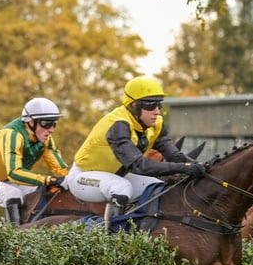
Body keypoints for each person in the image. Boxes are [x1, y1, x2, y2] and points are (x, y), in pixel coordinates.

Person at [67, 76, 205, 230]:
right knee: (121, 187)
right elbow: (139, 165)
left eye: (159, 105)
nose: (157, 112)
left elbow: (175, 155)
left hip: (116, 175)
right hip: (82, 177)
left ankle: (142, 229)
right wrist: (183, 168)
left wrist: (197, 166)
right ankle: (110, 238)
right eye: (151, 106)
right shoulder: (118, 125)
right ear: (134, 105)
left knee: (157, 186)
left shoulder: (155, 124)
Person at [0, 97, 69, 226]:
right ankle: (14, 238)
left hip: (6, 180)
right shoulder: (12, 135)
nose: (51, 129)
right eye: (46, 123)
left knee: (40, 191)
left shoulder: (45, 138)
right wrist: (48, 179)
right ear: (31, 122)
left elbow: (60, 169)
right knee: (11, 195)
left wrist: (71, 180)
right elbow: (14, 173)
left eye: (54, 123)